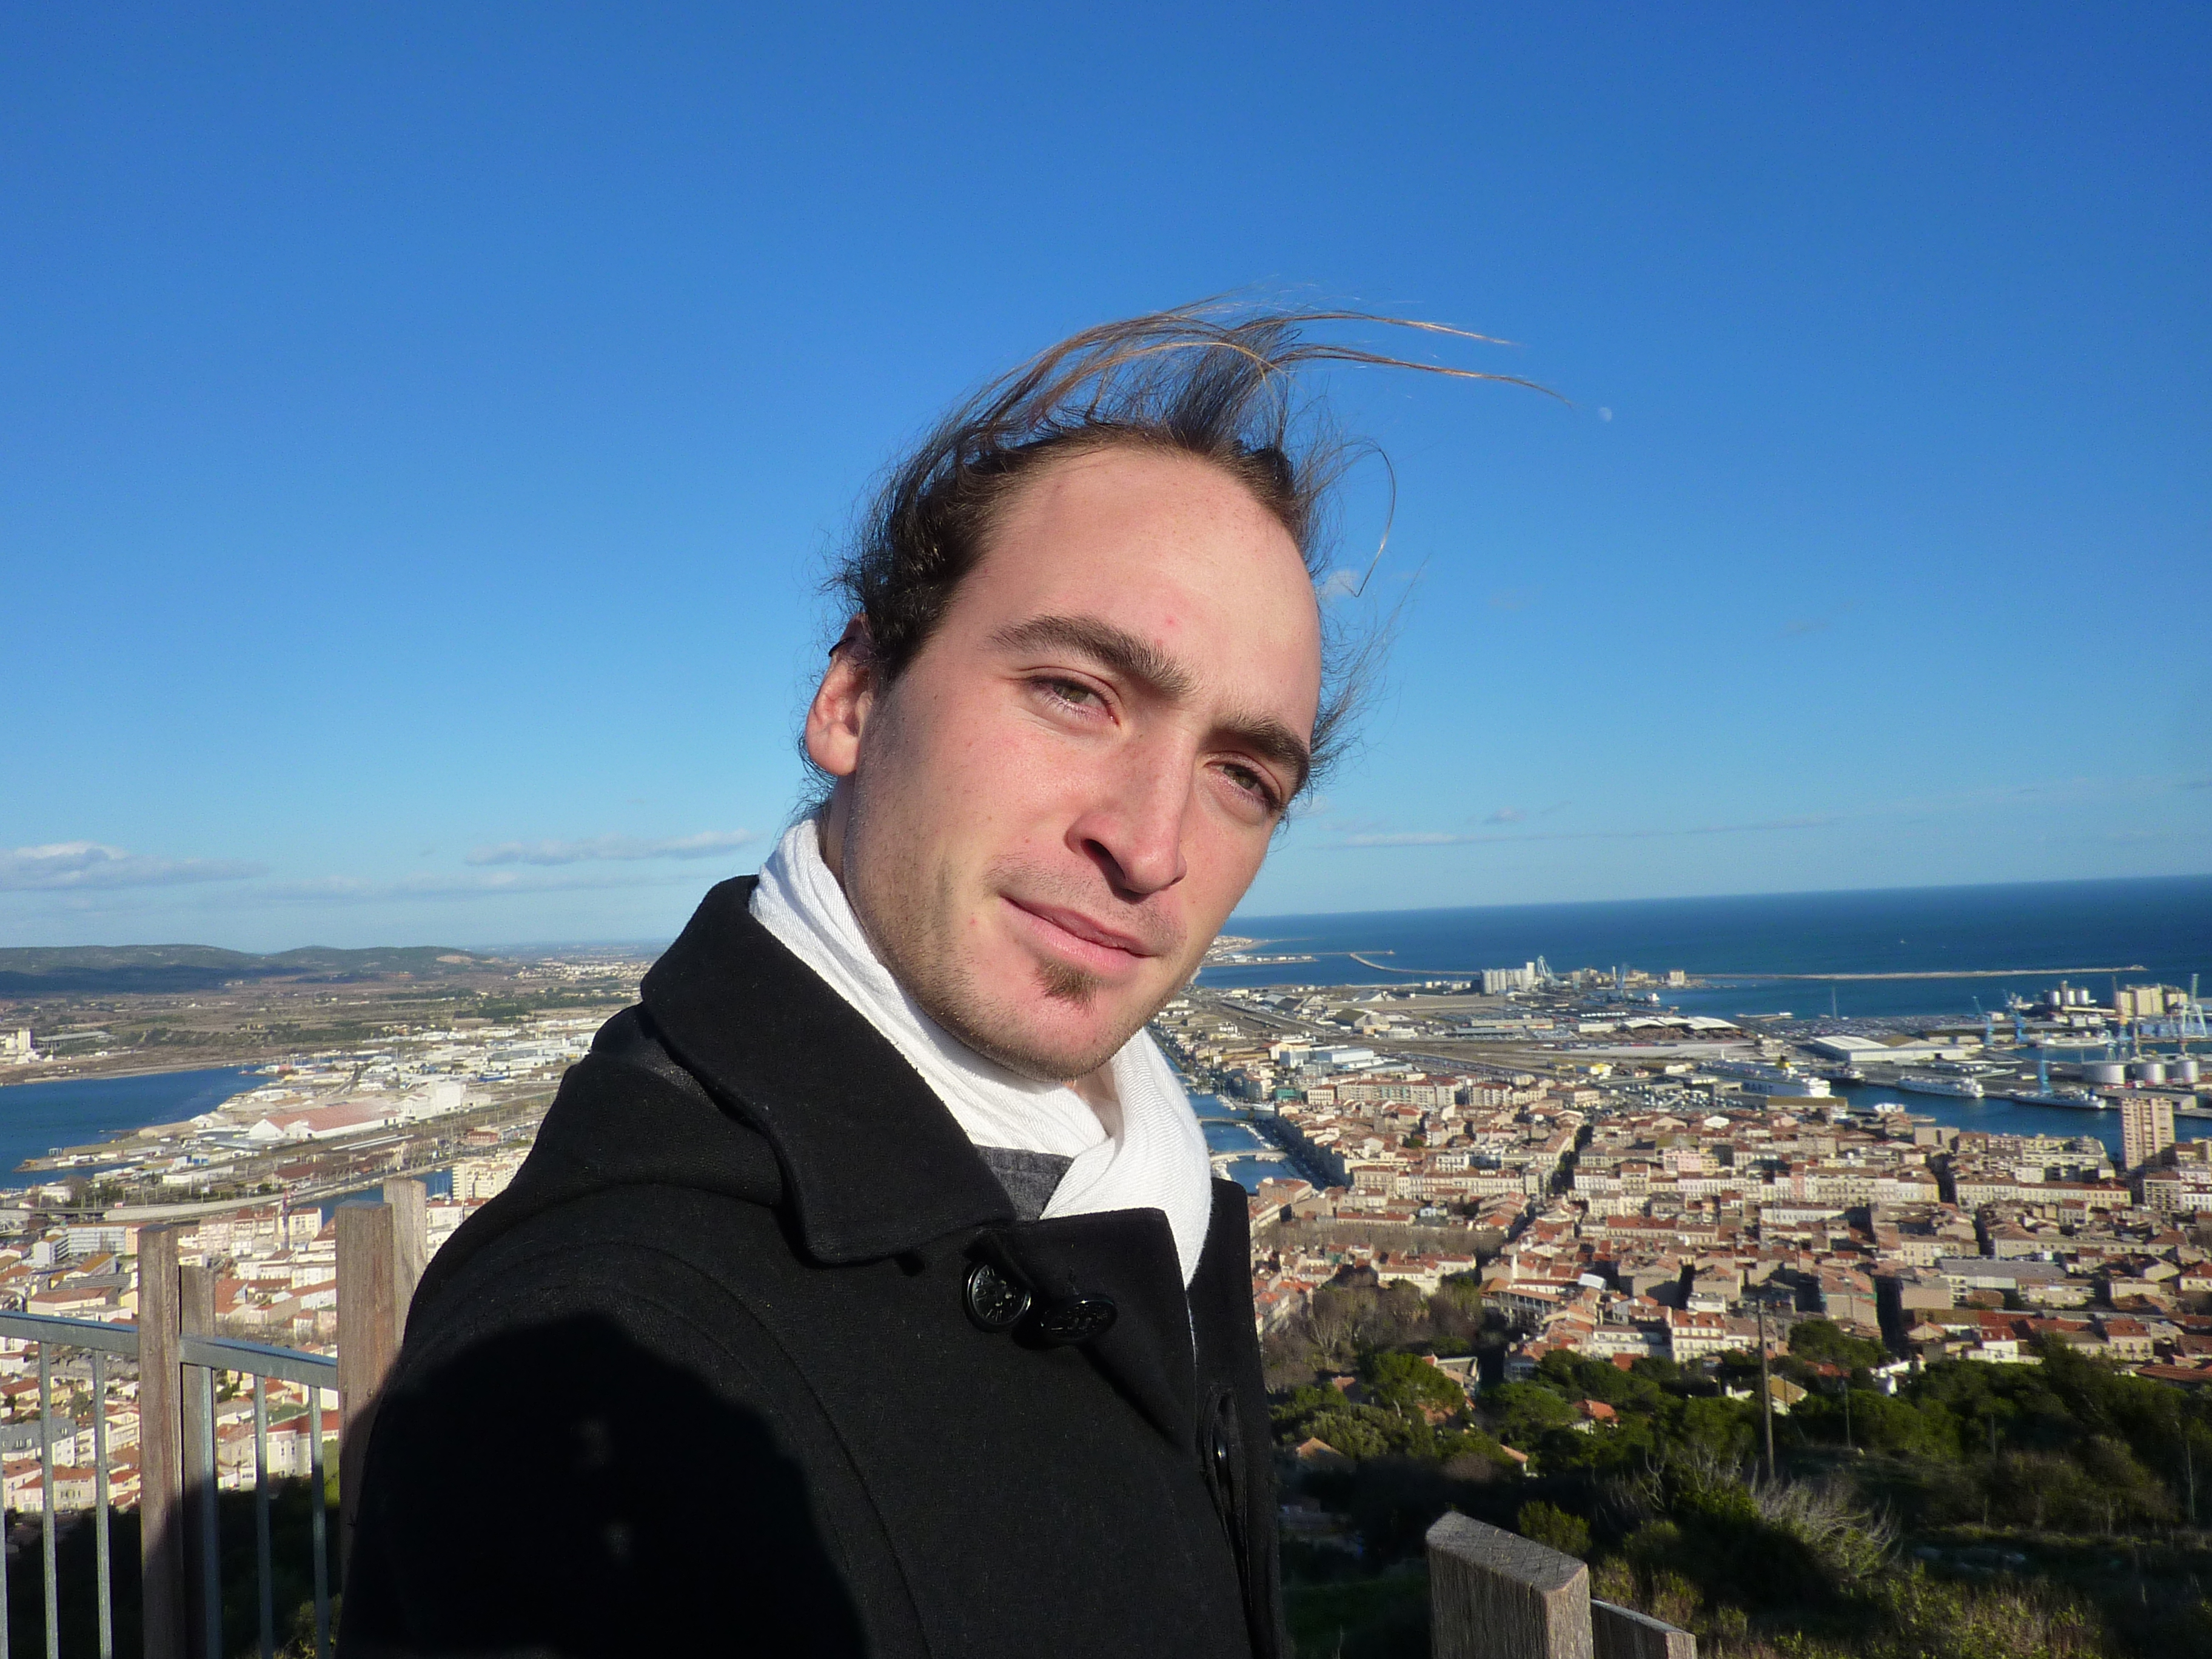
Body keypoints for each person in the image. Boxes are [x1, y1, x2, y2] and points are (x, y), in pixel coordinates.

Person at [338, 306, 1503, 1658]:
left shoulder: (1159, 1206)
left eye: (1242, 774)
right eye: (1075, 691)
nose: (1152, 845)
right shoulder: (597, 1382)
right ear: (853, 697)